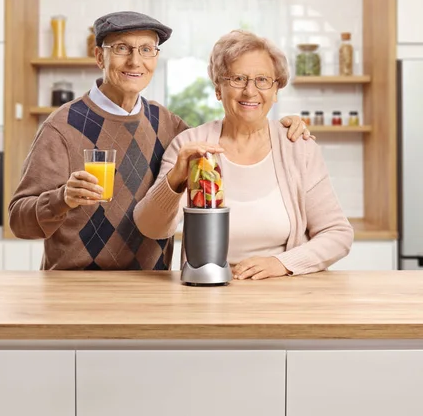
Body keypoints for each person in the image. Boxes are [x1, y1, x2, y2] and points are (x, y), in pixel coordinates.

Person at [9, 12, 311, 270]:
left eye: (146, 50)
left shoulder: (168, 124)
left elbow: (226, 138)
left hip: (151, 288)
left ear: (156, 58)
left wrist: (280, 126)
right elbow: (19, 222)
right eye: (122, 49)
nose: (135, 61)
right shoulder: (62, 126)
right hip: (75, 288)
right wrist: (62, 199)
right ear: (100, 56)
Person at [134, 29, 354, 279]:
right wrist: (174, 180)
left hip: (286, 291)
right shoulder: (192, 145)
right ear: (218, 89)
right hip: (209, 292)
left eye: (262, 80)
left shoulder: (297, 146)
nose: (250, 91)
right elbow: (150, 228)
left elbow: (338, 233)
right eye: (237, 79)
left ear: (275, 91)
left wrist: (281, 263)